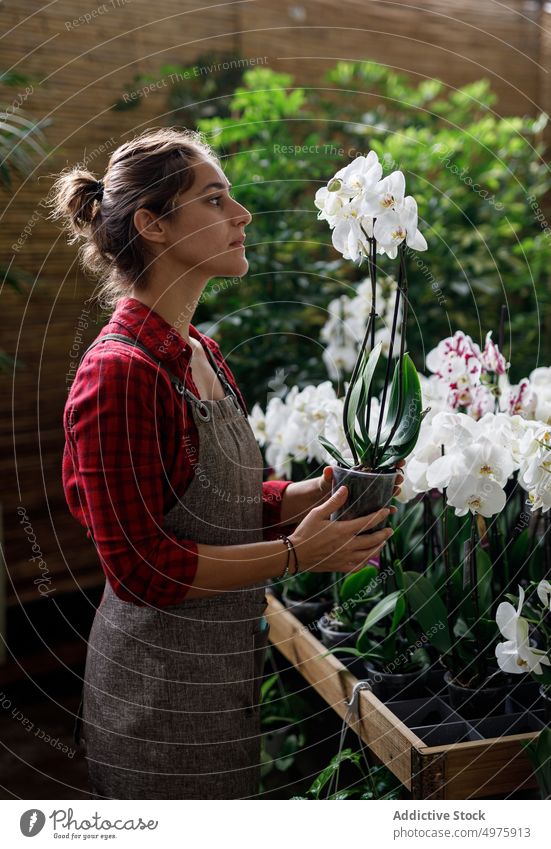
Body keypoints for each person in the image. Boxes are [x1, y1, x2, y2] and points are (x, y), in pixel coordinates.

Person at [49, 126, 402, 800]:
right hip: (157, 700)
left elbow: (207, 500)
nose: (241, 215)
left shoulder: (200, 353)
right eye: (215, 200)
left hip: (224, 682)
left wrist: (313, 492)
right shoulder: (120, 374)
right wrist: (298, 554)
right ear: (152, 224)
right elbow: (143, 566)